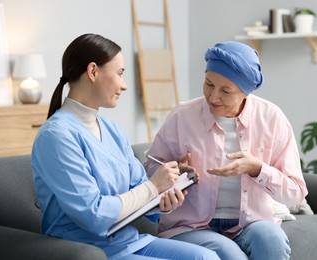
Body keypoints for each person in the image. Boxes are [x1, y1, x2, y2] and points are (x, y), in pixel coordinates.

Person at [31, 33, 220, 260]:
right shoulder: (56, 136)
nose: (124, 85)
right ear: (93, 71)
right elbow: (94, 214)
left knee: (207, 258)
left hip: (128, 241)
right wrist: (153, 187)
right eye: (120, 74)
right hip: (87, 249)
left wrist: (166, 196)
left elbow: (139, 188)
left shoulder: (113, 130)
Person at [144, 41, 308, 260]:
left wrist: (258, 169)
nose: (213, 97)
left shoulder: (272, 119)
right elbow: (149, 169)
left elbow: (295, 192)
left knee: (271, 240)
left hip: (251, 223)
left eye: (226, 91)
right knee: (229, 254)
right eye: (209, 84)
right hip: (191, 227)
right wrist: (173, 171)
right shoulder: (182, 116)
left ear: (245, 92)